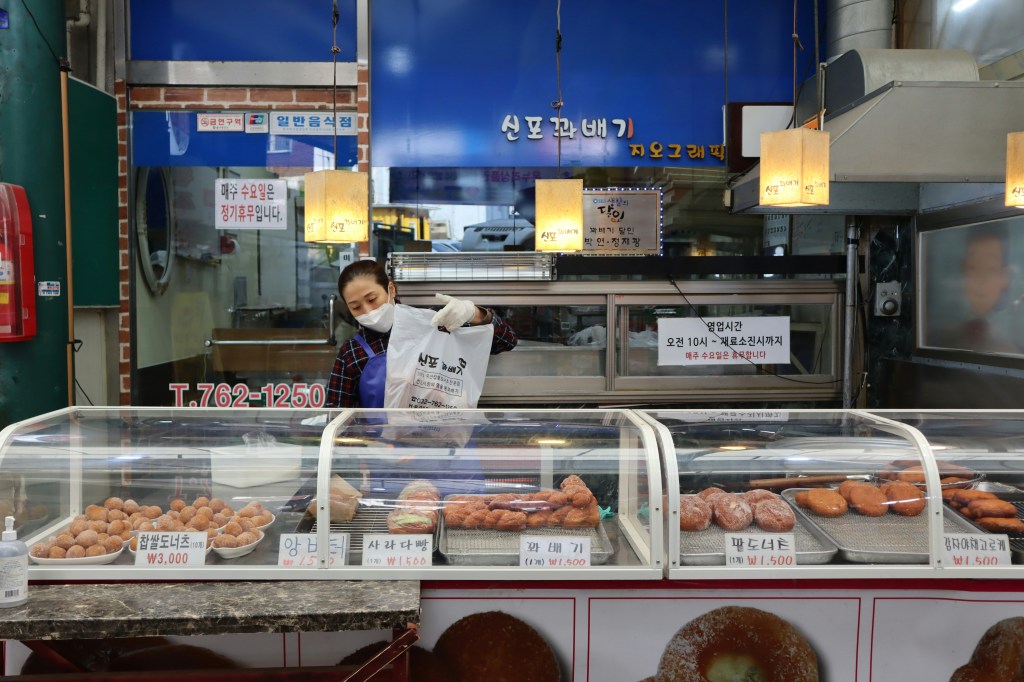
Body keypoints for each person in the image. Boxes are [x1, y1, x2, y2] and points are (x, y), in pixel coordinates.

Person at [324, 259, 518, 408]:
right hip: (384, 453)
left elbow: (506, 340)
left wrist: (475, 314)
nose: (368, 311)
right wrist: (368, 447)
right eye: (356, 307)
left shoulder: (435, 324)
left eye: (372, 299)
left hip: (449, 449)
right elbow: (336, 415)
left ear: (391, 289)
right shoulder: (352, 352)